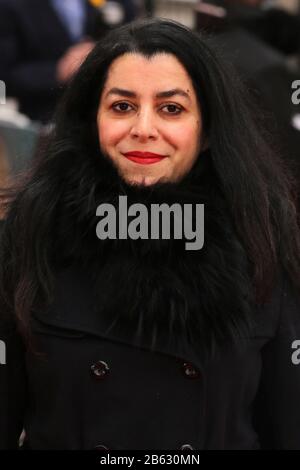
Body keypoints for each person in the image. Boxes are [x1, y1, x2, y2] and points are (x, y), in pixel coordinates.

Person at [0, 18, 300, 450]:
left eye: (171, 108)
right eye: (122, 106)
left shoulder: (260, 233)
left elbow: (286, 421)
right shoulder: (32, 230)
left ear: (209, 129)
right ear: (92, 119)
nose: (143, 128)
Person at [0, 0, 109, 123]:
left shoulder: (111, 4)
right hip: (40, 119)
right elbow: (5, 77)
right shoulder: (11, 5)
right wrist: (58, 71)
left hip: (98, 116)